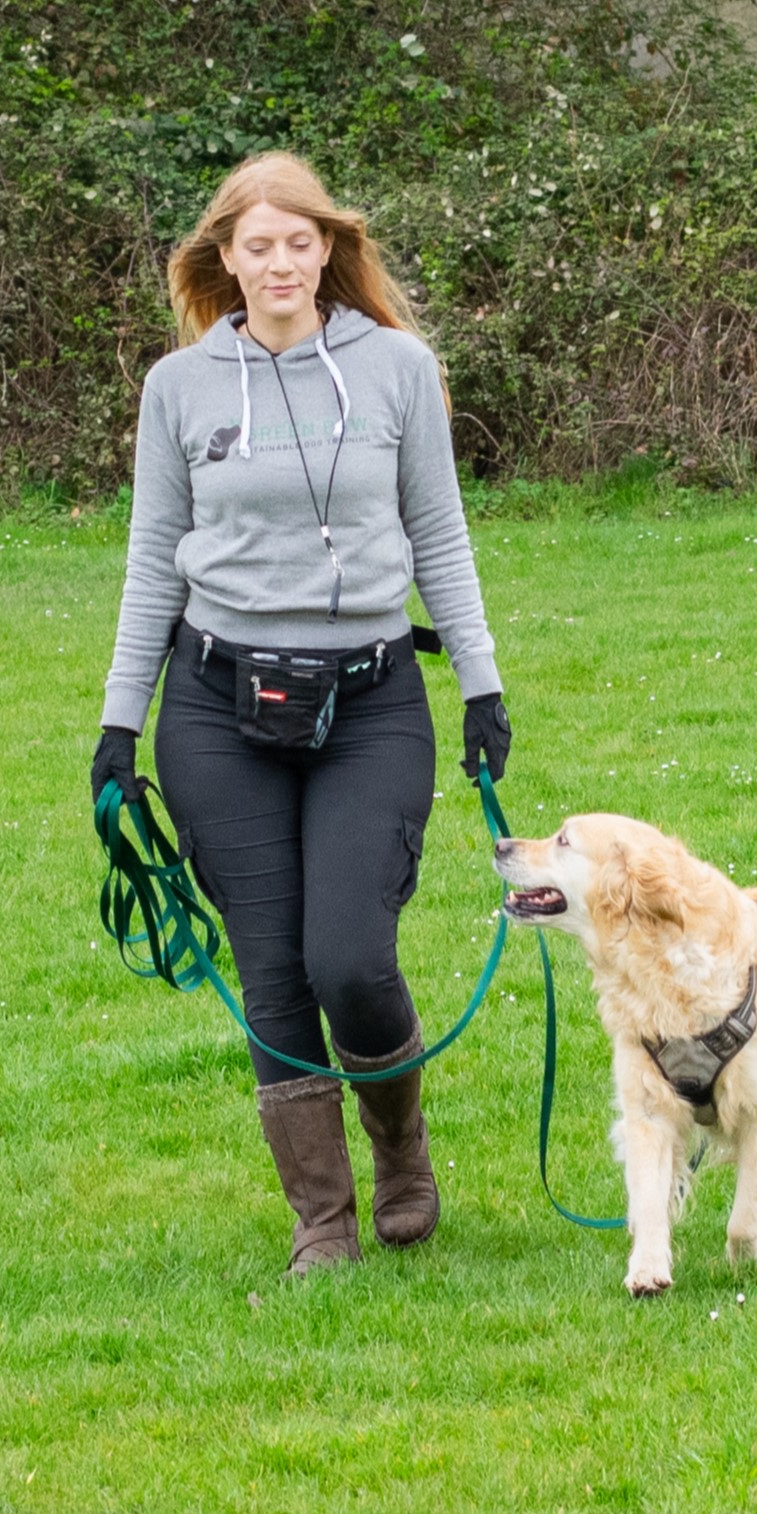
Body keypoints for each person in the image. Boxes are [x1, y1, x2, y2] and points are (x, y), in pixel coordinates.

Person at [91, 152, 512, 1276]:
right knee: (272, 968)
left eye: (298, 242)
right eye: (255, 246)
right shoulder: (177, 390)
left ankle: (401, 1146)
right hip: (215, 708)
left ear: (328, 248)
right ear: (221, 260)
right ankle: (321, 1222)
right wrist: (117, 726)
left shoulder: (396, 371)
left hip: (370, 700)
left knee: (351, 962)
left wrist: (479, 685)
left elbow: (440, 537)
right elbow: (150, 566)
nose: (279, 263)